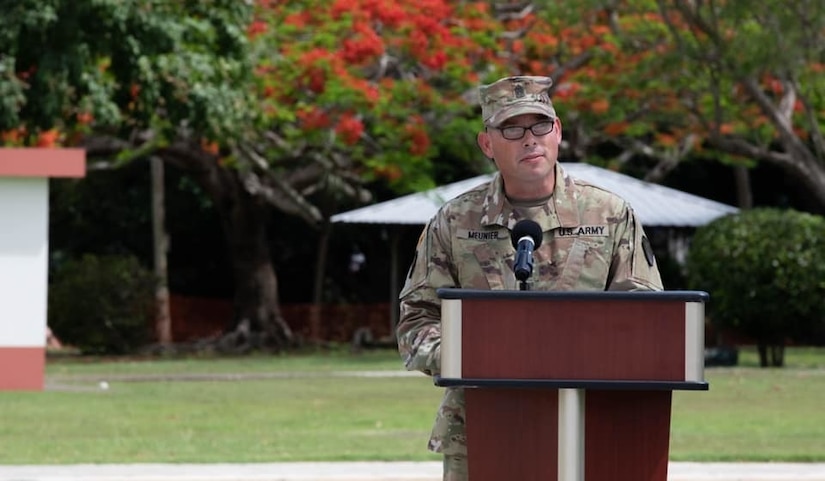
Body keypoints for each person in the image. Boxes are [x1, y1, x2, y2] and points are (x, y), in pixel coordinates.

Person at [395, 75, 663, 480]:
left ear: (557, 132)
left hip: (593, 422)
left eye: (540, 125)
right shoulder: (455, 221)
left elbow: (648, 319)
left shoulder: (609, 215)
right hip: (482, 428)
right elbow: (416, 320)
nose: (530, 139)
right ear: (487, 143)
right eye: (512, 128)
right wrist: (469, 356)